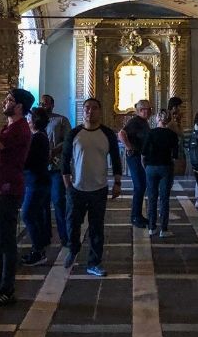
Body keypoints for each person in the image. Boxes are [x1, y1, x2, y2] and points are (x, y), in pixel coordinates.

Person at [0, 87, 33, 306]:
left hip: (8, 190)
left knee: (5, 240)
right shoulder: (10, 126)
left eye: (9, 100)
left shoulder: (20, 128)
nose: (5, 103)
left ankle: (7, 287)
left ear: (19, 106)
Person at [62, 97, 122, 276]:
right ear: (83, 110)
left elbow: (116, 159)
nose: (90, 111)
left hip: (98, 188)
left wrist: (117, 183)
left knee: (97, 227)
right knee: (72, 223)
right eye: (87, 108)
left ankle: (94, 262)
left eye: (94, 108)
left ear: (100, 111)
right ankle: (73, 249)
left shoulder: (107, 134)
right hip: (77, 187)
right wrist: (67, 185)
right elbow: (65, 160)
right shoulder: (74, 133)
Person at [40, 94, 72, 247]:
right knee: (42, 203)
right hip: (40, 168)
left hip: (56, 166)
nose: (43, 106)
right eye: (41, 103)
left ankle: (65, 236)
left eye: (46, 103)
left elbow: (68, 140)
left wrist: (53, 151)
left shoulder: (61, 120)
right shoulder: (36, 121)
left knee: (58, 200)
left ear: (52, 105)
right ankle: (45, 236)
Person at [141, 108, 179, 238]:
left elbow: (143, 153)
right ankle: (164, 229)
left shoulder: (150, 133)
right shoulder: (172, 135)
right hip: (166, 167)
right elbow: (175, 156)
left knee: (152, 198)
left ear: (157, 118)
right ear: (168, 120)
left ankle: (152, 227)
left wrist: (146, 167)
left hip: (151, 167)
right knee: (164, 199)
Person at [21, 107, 51, 266]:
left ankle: (38, 250)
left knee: (27, 214)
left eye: (28, 117)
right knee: (36, 215)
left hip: (36, 182)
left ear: (34, 121)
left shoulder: (37, 138)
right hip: (38, 180)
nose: (27, 120)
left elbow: (28, 160)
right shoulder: (38, 136)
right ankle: (40, 247)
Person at [117, 99, 153, 228]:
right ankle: (135, 217)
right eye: (148, 109)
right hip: (135, 157)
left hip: (140, 156)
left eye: (150, 109)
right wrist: (129, 147)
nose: (150, 112)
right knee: (139, 186)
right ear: (141, 110)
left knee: (141, 185)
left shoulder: (142, 122)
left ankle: (138, 215)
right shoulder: (135, 122)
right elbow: (121, 133)